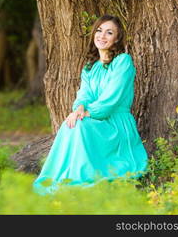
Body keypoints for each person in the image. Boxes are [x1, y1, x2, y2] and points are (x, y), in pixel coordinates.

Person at [32, 14, 148, 195]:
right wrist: (79, 108)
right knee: (70, 124)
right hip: (96, 119)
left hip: (116, 122)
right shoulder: (90, 67)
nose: (102, 36)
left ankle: (81, 178)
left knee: (81, 126)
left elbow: (112, 98)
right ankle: (62, 177)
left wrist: (88, 113)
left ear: (116, 38)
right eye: (99, 31)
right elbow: (84, 94)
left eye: (109, 33)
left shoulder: (123, 61)